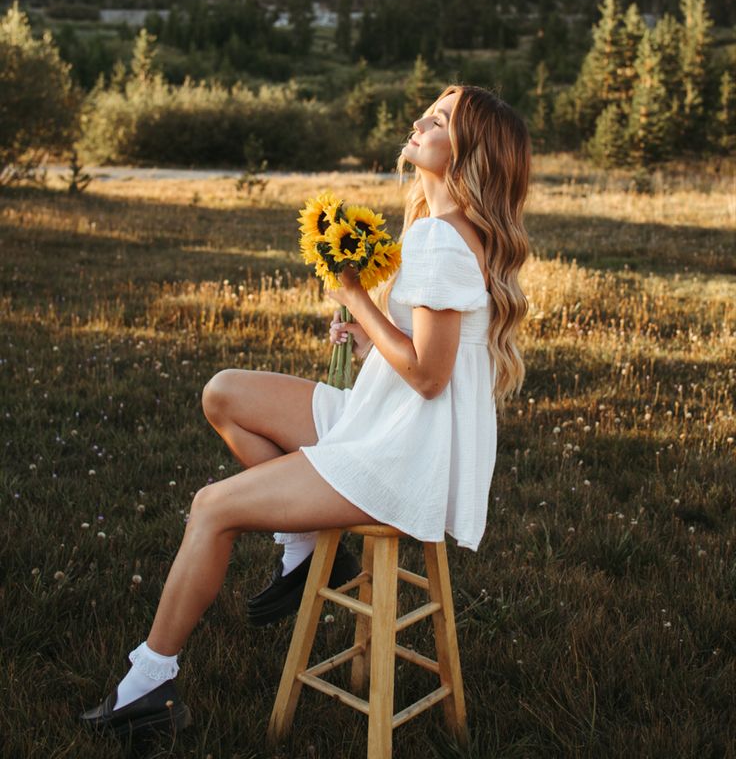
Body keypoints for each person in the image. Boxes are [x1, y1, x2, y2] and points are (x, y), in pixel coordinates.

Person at [80, 83, 531, 740]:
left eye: (437, 120)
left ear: (470, 153)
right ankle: (303, 545)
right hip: (377, 418)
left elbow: (429, 378)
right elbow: (422, 358)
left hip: (398, 453)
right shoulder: (438, 229)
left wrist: (356, 296)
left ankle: (148, 684)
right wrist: (365, 320)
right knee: (225, 393)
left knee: (212, 508)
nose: (419, 121)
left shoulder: (443, 242)